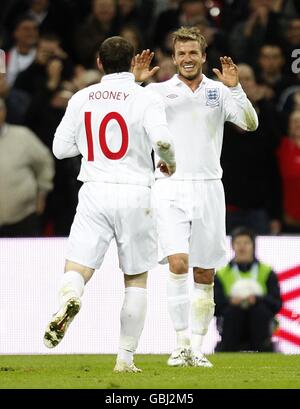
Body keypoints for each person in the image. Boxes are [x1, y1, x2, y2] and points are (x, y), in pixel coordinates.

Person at [43, 36, 176, 373]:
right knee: (136, 280)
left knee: (77, 268)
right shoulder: (146, 99)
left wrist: (91, 148)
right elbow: (162, 138)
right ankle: (125, 359)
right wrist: (166, 159)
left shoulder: (81, 97)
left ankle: (70, 298)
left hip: (95, 189)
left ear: (99, 63)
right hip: (136, 192)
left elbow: (61, 149)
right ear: (132, 62)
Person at [134, 27, 258, 367]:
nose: (187, 59)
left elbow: (250, 124)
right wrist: (134, 86)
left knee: (205, 273)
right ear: (173, 58)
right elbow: (127, 121)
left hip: (208, 187)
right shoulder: (157, 92)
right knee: (177, 263)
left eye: (193, 53)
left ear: (203, 56)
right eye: (182, 54)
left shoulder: (219, 92)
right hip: (170, 186)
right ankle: (180, 344)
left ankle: (198, 349)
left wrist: (236, 89)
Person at [214, 227, 282, 352]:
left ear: (253, 246)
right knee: (233, 312)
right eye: (238, 243)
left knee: (259, 311)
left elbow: (277, 304)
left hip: (259, 322)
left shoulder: (267, 272)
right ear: (232, 246)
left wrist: (257, 299)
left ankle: (263, 351)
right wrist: (230, 301)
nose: (242, 247)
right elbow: (215, 306)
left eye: (246, 243)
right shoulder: (222, 274)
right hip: (232, 322)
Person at [0, 97, 54, 237]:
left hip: (23, 219)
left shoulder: (22, 136)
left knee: (26, 258)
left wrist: (42, 191)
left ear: (4, 112)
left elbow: (45, 161)